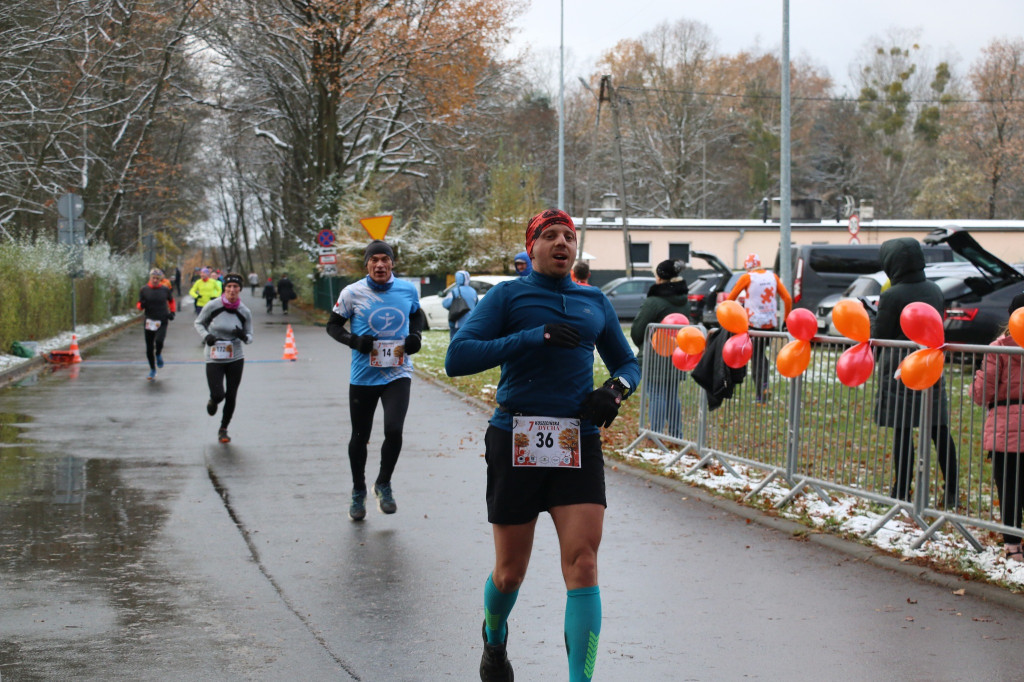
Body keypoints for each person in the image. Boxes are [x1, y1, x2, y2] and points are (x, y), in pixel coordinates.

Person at [445, 209, 640, 682]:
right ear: (531, 247)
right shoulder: (509, 296)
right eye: (549, 236)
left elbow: (628, 363)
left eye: (568, 237)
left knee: (584, 563)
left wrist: (613, 391)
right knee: (510, 572)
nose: (561, 243)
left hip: (577, 440)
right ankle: (494, 637)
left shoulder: (595, 299)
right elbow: (457, 357)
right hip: (517, 437)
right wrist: (534, 336)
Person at [326, 240, 424, 521]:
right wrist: (353, 340)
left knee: (393, 429)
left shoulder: (407, 289)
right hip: (364, 376)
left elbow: (416, 314)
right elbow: (332, 325)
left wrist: (415, 337)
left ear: (392, 263)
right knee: (360, 435)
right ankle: (358, 490)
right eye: (374, 260)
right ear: (366, 264)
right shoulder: (352, 292)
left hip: (397, 371)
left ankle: (383, 483)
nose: (380, 264)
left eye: (385, 259)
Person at [872, 238, 958, 507]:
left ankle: (901, 489)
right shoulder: (934, 289)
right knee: (939, 428)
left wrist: (873, 316)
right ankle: (952, 489)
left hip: (900, 368)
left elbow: (882, 334)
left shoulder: (892, 295)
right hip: (930, 362)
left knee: (903, 429)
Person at [971, 292, 1024, 562]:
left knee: (1009, 488)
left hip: (1005, 430)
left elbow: (982, 393)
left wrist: (977, 378)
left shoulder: (1000, 348)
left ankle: (1013, 546)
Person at [630, 259, 689, 438]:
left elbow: (638, 331)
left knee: (656, 393)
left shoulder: (654, 302)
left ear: (661, 277)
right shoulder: (684, 301)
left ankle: (655, 435)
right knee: (672, 395)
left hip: (656, 355)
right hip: (677, 354)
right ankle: (675, 434)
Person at [194, 273, 253, 444]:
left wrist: (242, 336)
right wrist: (207, 336)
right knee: (219, 394)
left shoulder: (244, 311)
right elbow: (199, 323)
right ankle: (213, 400)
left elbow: (250, 337)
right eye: (229, 287)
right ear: (224, 289)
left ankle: (223, 429)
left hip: (235, 356)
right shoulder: (213, 306)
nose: (232, 290)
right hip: (214, 356)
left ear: (240, 290)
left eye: (235, 287)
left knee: (232, 394)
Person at [726, 252, 792, 403]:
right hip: (770, 324)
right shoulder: (772, 276)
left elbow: (730, 298)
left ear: (748, 267)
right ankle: (763, 389)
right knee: (760, 355)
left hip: (754, 324)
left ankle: (762, 392)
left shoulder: (747, 277)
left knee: (756, 358)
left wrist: (730, 315)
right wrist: (786, 319)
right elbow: (787, 298)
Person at [137, 268, 177, 380]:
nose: (155, 280)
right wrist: (141, 305)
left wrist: (172, 312)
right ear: (150, 278)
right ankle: (152, 369)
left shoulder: (164, 289)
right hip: (150, 320)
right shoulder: (144, 289)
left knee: (159, 340)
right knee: (149, 347)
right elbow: (139, 305)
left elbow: (171, 301)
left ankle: (158, 353)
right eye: (153, 278)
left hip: (162, 319)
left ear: (160, 279)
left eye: (157, 278)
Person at [442, 270, 478, 339]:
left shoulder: (455, 291)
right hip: (470, 324)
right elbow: (477, 306)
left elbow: (445, 304)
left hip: (457, 323)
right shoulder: (473, 291)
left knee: (455, 344)